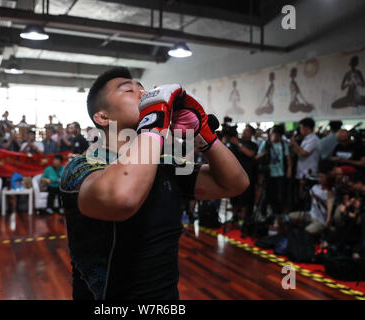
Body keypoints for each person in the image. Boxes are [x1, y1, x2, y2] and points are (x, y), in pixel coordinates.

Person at [60, 67, 249, 299]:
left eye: (143, 89)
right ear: (103, 117)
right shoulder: (82, 166)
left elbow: (235, 183)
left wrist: (203, 134)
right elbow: (122, 198)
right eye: (129, 90)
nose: (142, 94)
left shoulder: (166, 163)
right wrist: (153, 123)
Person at [256, 124, 292, 220]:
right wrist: (264, 153)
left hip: (280, 174)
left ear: (279, 135)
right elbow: (256, 157)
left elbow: (288, 158)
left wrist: (289, 169)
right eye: (271, 134)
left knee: (279, 195)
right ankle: (264, 214)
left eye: (274, 134)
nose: (272, 136)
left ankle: (276, 214)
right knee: (267, 195)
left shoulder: (283, 145)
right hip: (268, 173)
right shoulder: (266, 144)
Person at [288, 166, 334, 236]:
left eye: (322, 177)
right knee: (288, 217)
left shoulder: (330, 191)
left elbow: (329, 208)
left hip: (320, 220)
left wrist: (320, 200)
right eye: (319, 177)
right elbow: (302, 196)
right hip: (310, 214)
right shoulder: (315, 187)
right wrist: (301, 185)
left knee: (306, 232)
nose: (320, 179)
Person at [228, 125, 258, 223]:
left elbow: (250, 154)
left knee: (245, 198)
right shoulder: (236, 142)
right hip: (234, 173)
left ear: (252, 134)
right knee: (233, 197)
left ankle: (243, 219)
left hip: (247, 175)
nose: (245, 132)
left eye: (247, 131)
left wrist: (238, 144)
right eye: (244, 130)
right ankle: (234, 216)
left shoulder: (253, 145)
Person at [290, 118, 321, 208]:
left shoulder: (313, 139)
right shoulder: (306, 139)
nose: (300, 130)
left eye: (301, 127)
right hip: (302, 172)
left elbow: (304, 153)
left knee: (306, 198)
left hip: (309, 173)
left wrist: (294, 143)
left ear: (307, 128)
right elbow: (299, 152)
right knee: (301, 197)